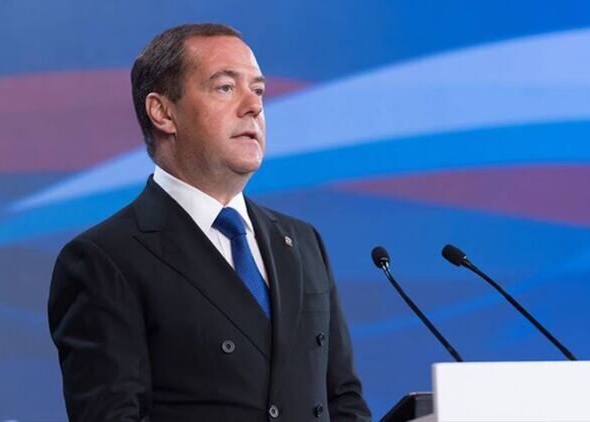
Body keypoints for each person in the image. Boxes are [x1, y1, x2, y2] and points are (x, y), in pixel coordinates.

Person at [48, 23, 372, 422]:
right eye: (225, 87)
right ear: (163, 112)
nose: (253, 106)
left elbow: (344, 401)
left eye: (258, 90)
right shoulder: (104, 260)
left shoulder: (302, 242)